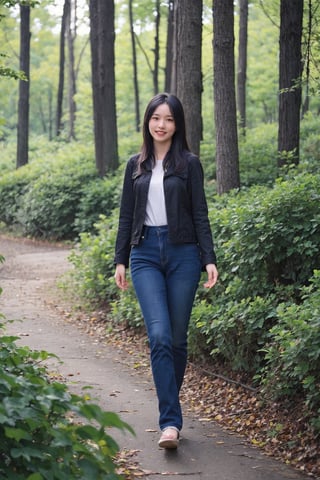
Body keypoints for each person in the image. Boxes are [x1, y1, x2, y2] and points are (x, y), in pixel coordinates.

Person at [114, 92, 218, 449]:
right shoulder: (135, 165)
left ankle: (169, 409)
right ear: (147, 122)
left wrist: (209, 258)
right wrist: (120, 259)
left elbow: (200, 213)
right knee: (158, 336)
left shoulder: (189, 164)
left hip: (183, 254)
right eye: (156, 118)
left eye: (169, 119)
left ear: (177, 124)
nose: (161, 125)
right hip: (144, 254)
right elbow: (126, 216)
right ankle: (170, 422)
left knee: (176, 339)